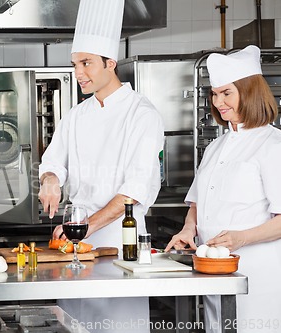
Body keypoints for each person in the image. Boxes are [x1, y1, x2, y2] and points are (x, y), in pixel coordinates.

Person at [38, 0, 164, 332]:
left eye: (86, 63)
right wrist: (50, 179)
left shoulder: (143, 115)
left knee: (119, 325)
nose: (78, 73)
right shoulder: (77, 115)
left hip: (119, 240)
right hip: (78, 239)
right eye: (75, 64)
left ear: (111, 63)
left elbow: (134, 190)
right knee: (74, 324)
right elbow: (53, 161)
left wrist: (84, 226)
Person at [165, 45, 281, 333]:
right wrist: (187, 230)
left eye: (226, 93)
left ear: (250, 91)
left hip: (258, 276)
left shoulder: (272, 146)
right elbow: (196, 204)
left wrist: (242, 238)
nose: (218, 102)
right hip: (215, 272)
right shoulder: (216, 146)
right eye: (214, 94)